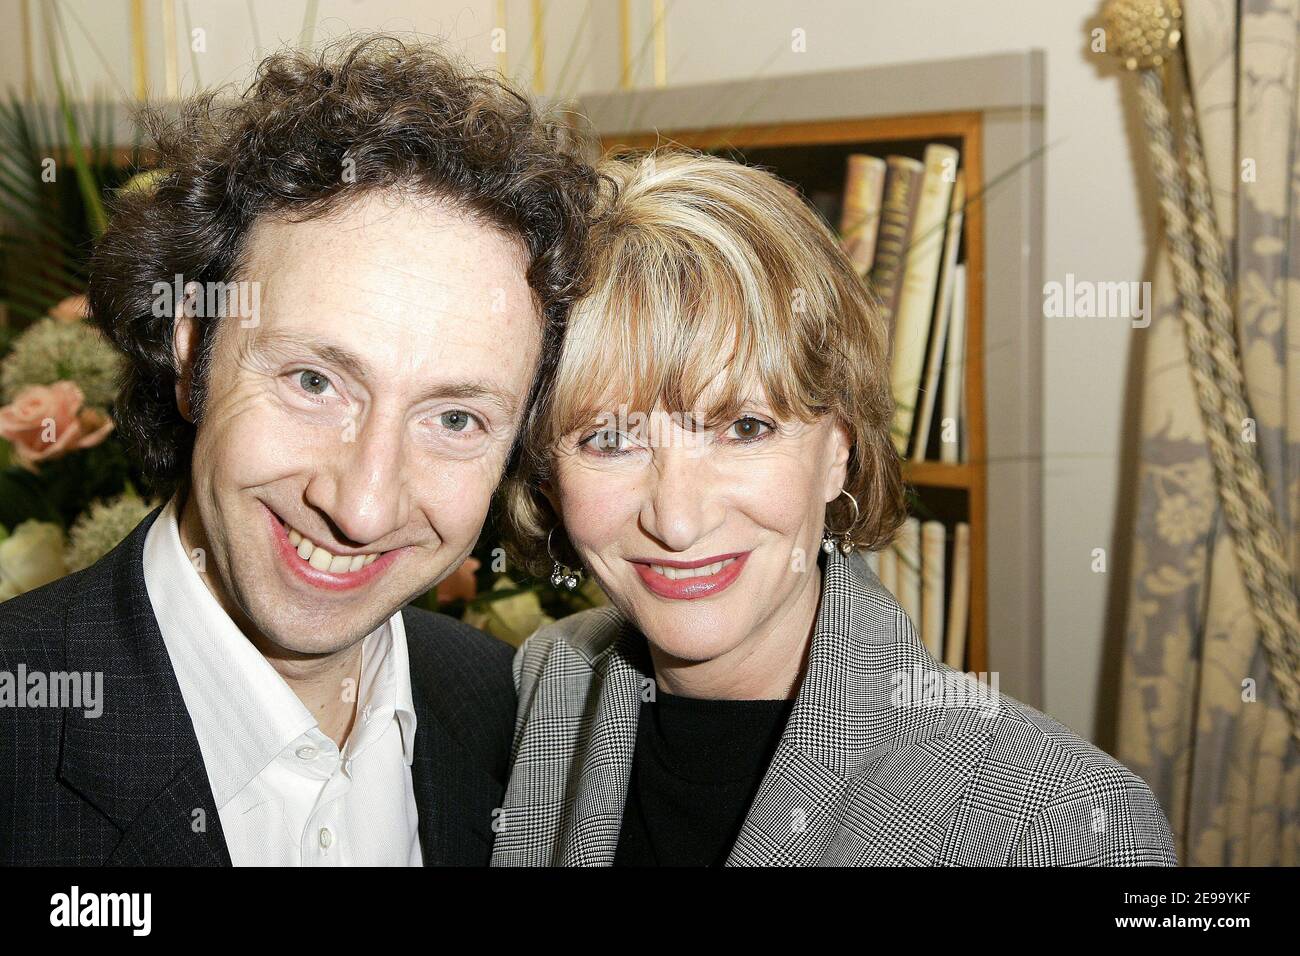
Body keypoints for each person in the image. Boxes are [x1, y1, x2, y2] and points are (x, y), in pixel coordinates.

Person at [0, 36, 597, 866]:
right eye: (315, 381)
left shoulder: (516, 717)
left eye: (455, 419)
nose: (362, 506)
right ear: (193, 355)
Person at [491, 149, 1178, 866]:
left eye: (745, 428)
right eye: (608, 439)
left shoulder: (1064, 825)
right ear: (544, 472)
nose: (676, 519)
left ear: (838, 450)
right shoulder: (541, 684)